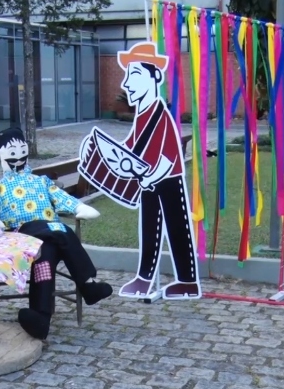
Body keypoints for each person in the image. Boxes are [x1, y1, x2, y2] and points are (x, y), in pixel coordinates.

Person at [80, 42, 201, 299]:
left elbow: (169, 157)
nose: (126, 83)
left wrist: (151, 179)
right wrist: (109, 155)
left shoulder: (161, 115)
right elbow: (131, 147)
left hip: (166, 180)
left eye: (134, 75)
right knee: (150, 228)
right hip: (148, 179)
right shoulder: (143, 115)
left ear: (154, 78)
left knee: (176, 228)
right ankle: (145, 278)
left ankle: (188, 281)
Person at [0, 128, 113, 340]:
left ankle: (40, 318)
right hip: (23, 233)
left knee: (46, 256)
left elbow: (61, 198)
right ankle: (87, 285)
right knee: (59, 229)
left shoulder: (41, 181)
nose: (18, 156)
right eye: (12, 151)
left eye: (22, 149)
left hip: (47, 240)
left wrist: (77, 208)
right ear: (1, 155)